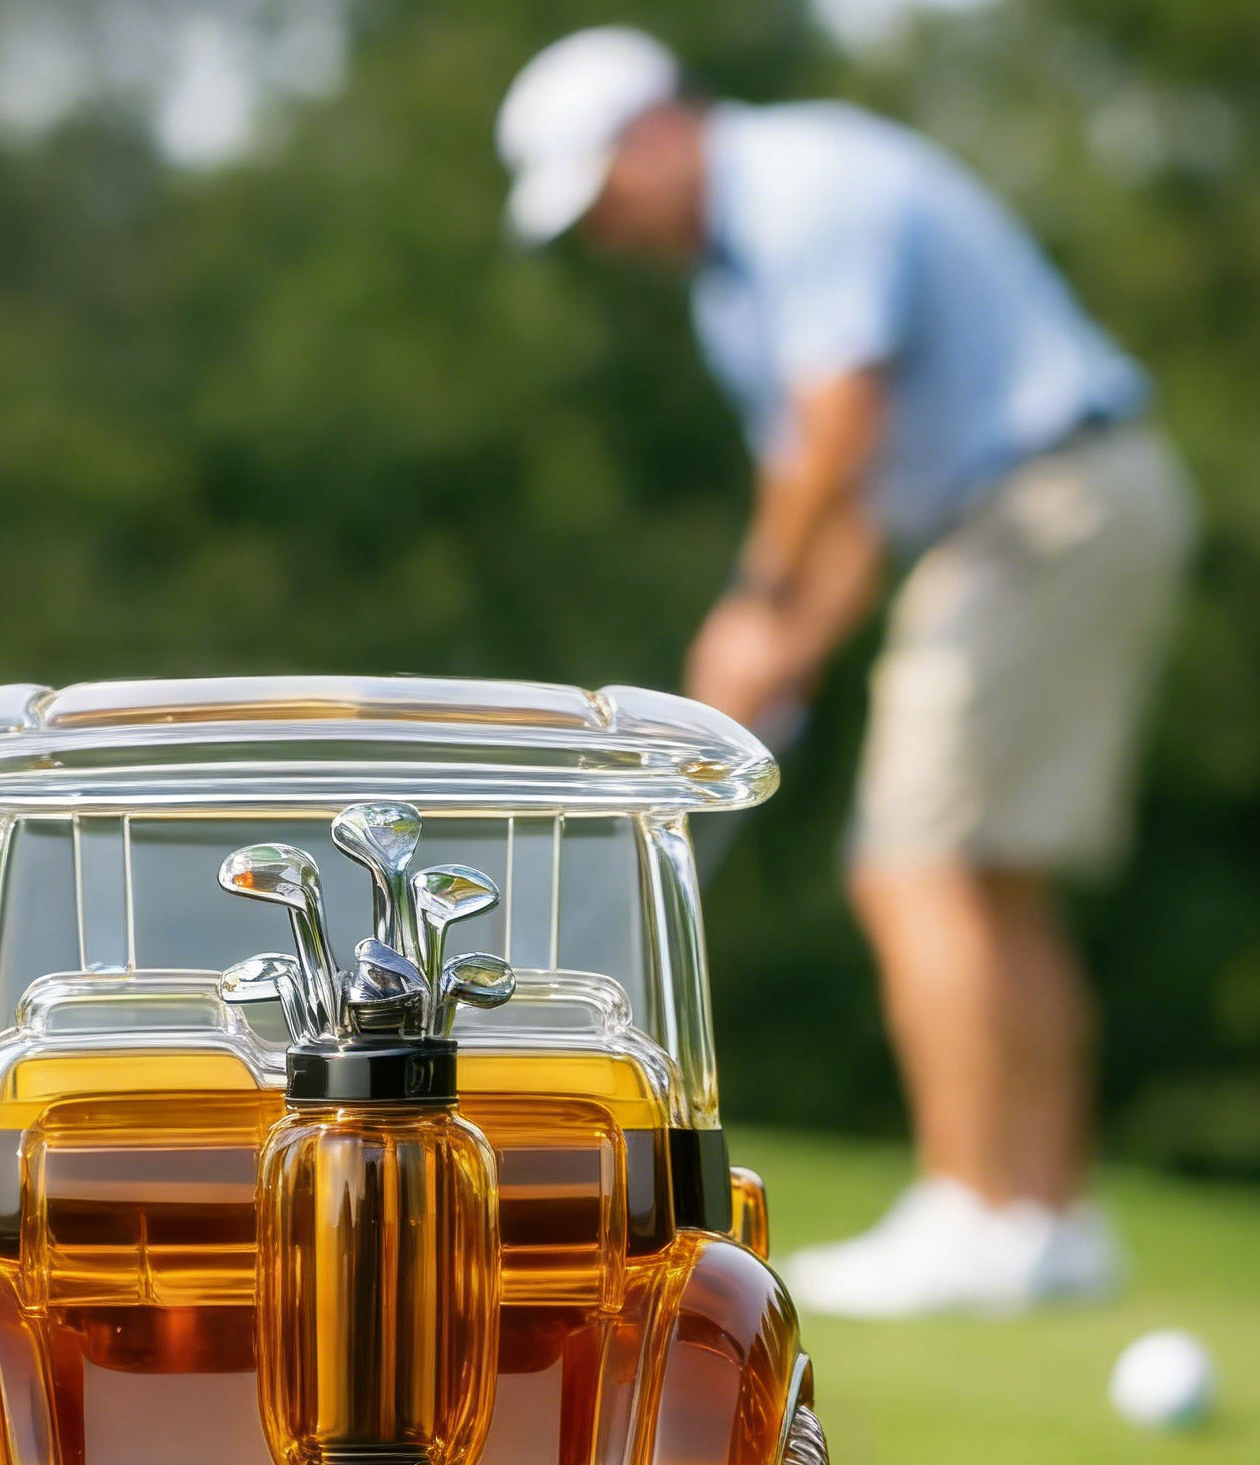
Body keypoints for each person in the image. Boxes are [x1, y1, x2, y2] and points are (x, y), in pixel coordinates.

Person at [496, 27, 1196, 1318]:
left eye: (607, 195)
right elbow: (846, 505)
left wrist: (759, 601)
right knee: (993, 879)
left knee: (910, 864)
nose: (609, 232)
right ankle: (1048, 1217)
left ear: (658, 130)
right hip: (1069, 503)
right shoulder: (736, 285)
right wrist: (781, 658)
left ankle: (973, 1214)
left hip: (1043, 507)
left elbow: (840, 428)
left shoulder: (803, 185)